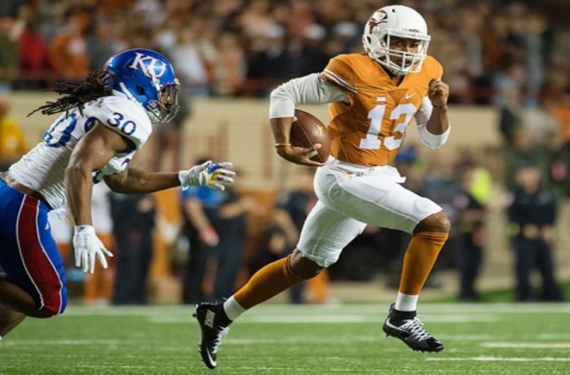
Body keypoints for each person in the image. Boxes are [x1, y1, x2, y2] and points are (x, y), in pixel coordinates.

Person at [194, 5, 451, 369]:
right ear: (375, 39)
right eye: (398, 42)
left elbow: (435, 140)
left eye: (413, 45)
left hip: (380, 175)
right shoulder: (352, 69)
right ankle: (402, 315)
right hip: (344, 175)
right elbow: (284, 93)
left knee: (305, 265)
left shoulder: (426, 71)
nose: (406, 52)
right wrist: (284, 144)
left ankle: (220, 312)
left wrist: (440, 108)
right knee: (435, 223)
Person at [0, 48, 235, 341]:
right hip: (26, 203)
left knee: (22, 289)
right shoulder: (128, 113)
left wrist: (184, 177)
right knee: (49, 301)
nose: (165, 98)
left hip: (11, 193)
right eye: (163, 89)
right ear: (141, 83)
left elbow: (120, 179)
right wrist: (84, 228)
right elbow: (79, 166)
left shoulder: (105, 104)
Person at [507, 162, 564, 302]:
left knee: (547, 266)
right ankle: (524, 294)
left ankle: (551, 294)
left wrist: (550, 230)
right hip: (524, 238)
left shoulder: (545, 194)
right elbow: (511, 218)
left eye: (531, 173)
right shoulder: (515, 196)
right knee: (524, 267)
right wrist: (522, 229)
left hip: (543, 237)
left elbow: (552, 215)